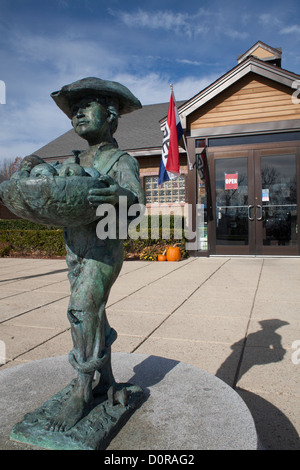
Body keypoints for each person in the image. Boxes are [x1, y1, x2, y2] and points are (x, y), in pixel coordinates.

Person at [47, 77, 145, 432]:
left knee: (82, 307)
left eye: (87, 107)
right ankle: (107, 383)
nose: (78, 114)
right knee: (94, 315)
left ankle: (81, 388)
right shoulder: (71, 161)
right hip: (75, 248)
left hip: (104, 249)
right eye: (74, 110)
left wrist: (118, 193)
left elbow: (136, 204)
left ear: (111, 115)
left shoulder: (121, 159)